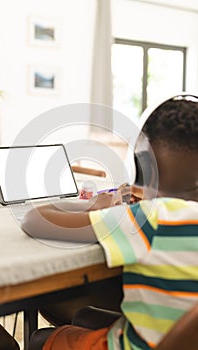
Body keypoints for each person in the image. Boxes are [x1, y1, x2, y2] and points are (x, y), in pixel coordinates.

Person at [21, 96, 198, 350]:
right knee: (85, 316)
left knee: (42, 338)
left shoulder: (149, 219)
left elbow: (33, 219)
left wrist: (97, 206)